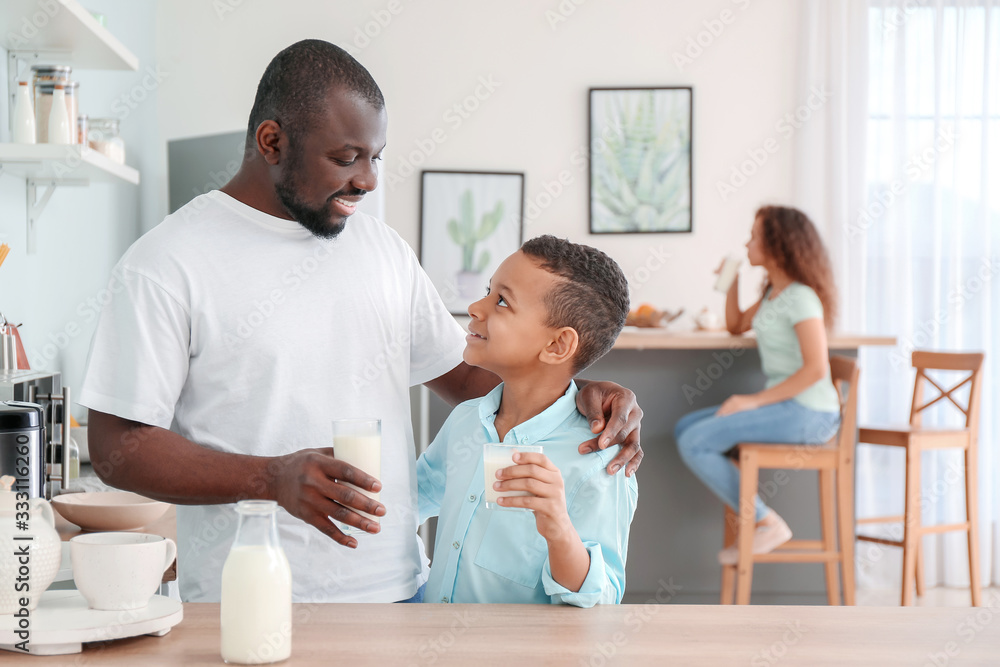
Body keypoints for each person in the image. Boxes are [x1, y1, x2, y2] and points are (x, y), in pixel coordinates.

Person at [79, 40, 644, 604]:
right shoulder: (166, 263)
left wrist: (577, 391)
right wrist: (270, 478)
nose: (369, 180)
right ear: (271, 142)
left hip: (400, 596)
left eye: (376, 157)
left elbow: (471, 378)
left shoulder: (381, 250)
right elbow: (116, 447)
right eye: (346, 158)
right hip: (250, 600)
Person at [417, 236, 638, 606]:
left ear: (556, 346)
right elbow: (415, 498)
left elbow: (602, 604)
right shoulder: (466, 421)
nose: (475, 307)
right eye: (489, 291)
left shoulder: (598, 461)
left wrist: (557, 527)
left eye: (501, 301)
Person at [675, 205, 841, 564]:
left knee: (694, 441)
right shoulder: (773, 294)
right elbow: (736, 325)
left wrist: (753, 401)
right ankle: (752, 505)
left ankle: (766, 522)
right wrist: (731, 283)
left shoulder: (801, 297)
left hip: (810, 412)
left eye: (754, 236)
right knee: (685, 427)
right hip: (788, 407)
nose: (747, 243)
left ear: (777, 244)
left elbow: (815, 370)